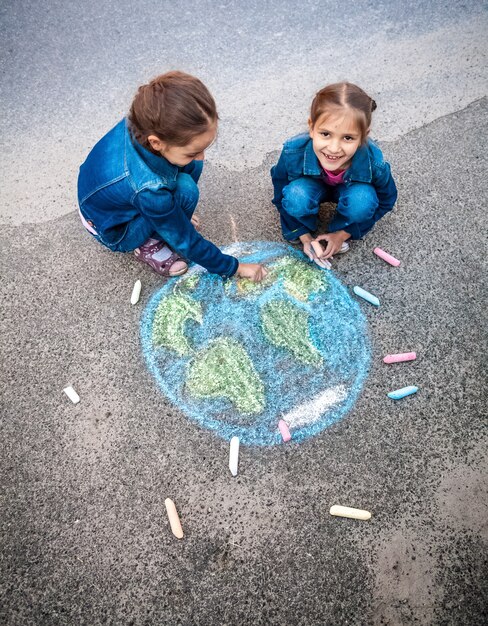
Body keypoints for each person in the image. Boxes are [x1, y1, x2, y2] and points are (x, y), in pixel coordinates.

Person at [78, 71, 267, 281]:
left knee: (190, 170)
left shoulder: (144, 119)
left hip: (104, 201)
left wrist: (172, 212)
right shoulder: (149, 188)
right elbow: (185, 239)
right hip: (115, 230)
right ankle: (150, 243)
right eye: (193, 151)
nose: (201, 157)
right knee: (186, 191)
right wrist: (234, 267)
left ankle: (167, 216)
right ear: (156, 142)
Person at [270, 82, 398, 266]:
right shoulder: (292, 151)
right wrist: (303, 236)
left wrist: (342, 234)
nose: (334, 148)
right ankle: (306, 223)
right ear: (312, 128)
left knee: (362, 201)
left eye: (348, 138)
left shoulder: (374, 163)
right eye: (325, 134)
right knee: (295, 196)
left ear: (363, 136)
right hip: (309, 187)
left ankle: (339, 229)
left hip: (353, 190)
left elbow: (387, 199)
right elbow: (279, 191)